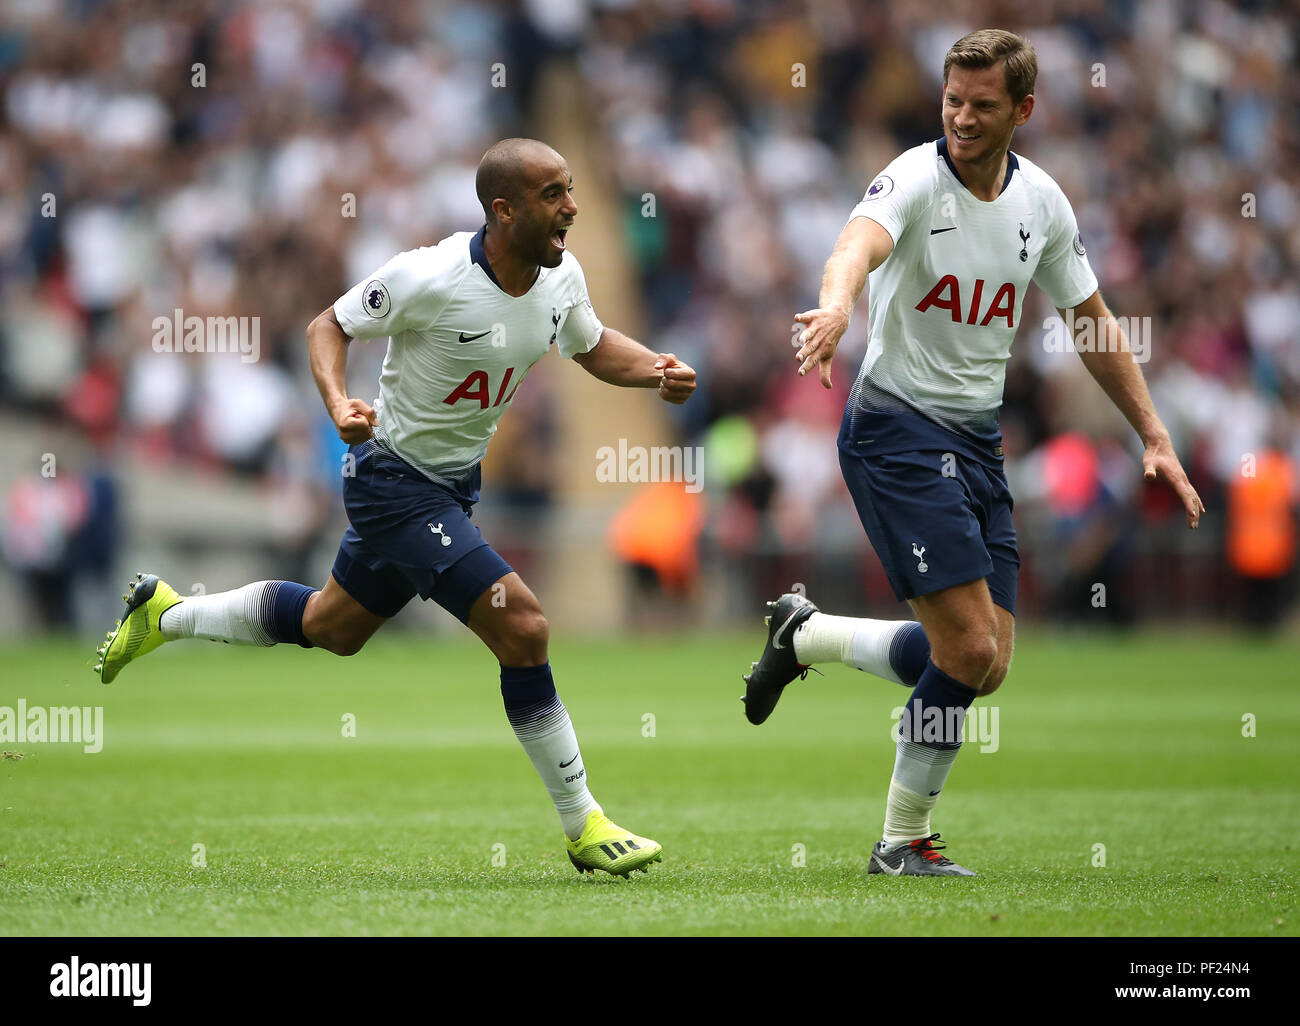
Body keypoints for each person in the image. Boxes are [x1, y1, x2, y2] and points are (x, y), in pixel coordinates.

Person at [95, 138, 696, 878]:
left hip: (450, 488)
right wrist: (337, 401)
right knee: (526, 626)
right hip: (392, 481)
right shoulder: (430, 274)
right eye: (552, 195)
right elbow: (328, 326)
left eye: (571, 189)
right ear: (503, 210)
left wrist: (656, 371)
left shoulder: (560, 277)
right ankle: (584, 823)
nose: (571, 207)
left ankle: (165, 613)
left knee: (331, 626)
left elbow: (593, 345)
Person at [742, 30, 1203, 876]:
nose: (960, 116)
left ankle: (807, 636)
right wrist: (837, 307)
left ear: (1023, 110)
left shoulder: (1044, 204)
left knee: (985, 664)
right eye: (952, 99)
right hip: (897, 430)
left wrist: (1155, 434)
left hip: (975, 438)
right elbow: (857, 244)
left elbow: (1093, 323)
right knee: (966, 652)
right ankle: (899, 842)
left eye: (981, 104)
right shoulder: (915, 177)